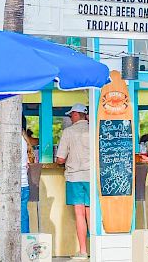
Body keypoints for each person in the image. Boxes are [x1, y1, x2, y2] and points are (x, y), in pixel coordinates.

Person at [0, 109, 30, 234]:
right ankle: (25, 249)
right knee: (21, 220)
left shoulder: (1, 140)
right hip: (23, 185)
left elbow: (2, 167)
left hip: (5, 186)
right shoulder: (21, 139)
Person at [56, 103, 90, 261]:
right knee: (91, 213)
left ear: (76, 114)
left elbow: (60, 159)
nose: (70, 118)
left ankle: (83, 251)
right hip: (92, 177)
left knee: (79, 214)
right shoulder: (94, 129)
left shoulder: (68, 132)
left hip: (75, 177)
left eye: (71, 115)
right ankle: (96, 246)